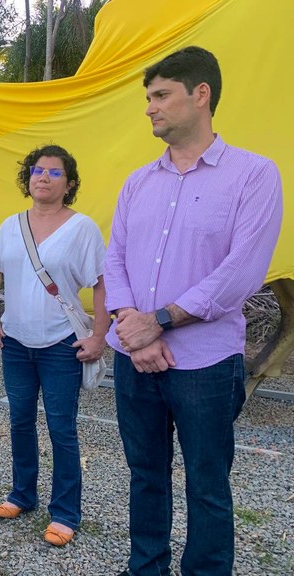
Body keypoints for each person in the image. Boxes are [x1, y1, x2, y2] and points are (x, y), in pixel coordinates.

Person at [104, 47, 283, 576]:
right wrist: (132, 325)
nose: (150, 108)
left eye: (161, 95)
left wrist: (158, 321)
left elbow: (241, 271)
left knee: (207, 484)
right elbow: (115, 258)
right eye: (148, 97)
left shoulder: (254, 175)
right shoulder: (138, 182)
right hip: (133, 357)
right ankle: (147, 567)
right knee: (145, 476)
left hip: (205, 364)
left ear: (201, 94)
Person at [0, 145, 107, 547]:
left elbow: (102, 284)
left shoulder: (82, 228)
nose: (44, 178)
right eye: (38, 170)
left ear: (69, 184)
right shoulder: (11, 225)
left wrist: (99, 336)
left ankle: (65, 512)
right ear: (28, 178)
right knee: (20, 420)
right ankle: (22, 494)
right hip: (16, 341)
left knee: (61, 427)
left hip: (62, 343)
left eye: (55, 173)